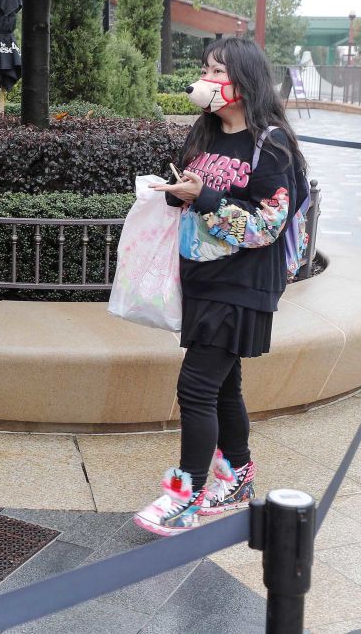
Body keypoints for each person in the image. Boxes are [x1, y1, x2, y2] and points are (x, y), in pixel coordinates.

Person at [133, 37, 309, 536]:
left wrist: (205, 196)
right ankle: (236, 479)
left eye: (217, 72)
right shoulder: (205, 134)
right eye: (205, 70)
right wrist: (175, 195)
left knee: (196, 386)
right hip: (203, 279)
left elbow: (265, 226)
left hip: (243, 283)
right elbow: (197, 200)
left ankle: (184, 496)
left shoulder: (271, 144)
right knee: (223, 388)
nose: (206, 81)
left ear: (244, 81)